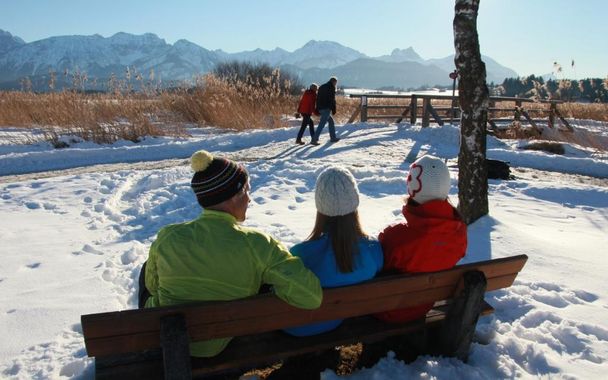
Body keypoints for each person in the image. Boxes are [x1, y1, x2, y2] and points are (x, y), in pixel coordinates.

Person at [140, 149, 323, 358]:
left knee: (148, 269)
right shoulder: (258, 245)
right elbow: (311, 297)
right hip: (220, 342)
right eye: (246, 191)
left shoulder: (167, 237)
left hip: (167, 339)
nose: (250, 199)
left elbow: (152, 287)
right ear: (234, 196)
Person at [283, 166, 383, 336]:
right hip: (337, 320)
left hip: (298, 327)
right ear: (354, 202)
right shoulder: (373, 250)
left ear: (320, 205)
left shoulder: (301, 254)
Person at [375, 155, 467, 323]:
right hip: (424, 306)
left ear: (413, 187)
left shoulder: (396, 237)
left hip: (388, 311)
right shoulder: (458, 233)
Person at [310, 77, 339, 145]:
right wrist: (334, 109)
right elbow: (332, 100)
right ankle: (314, 139)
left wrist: (317, 108)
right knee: (321, 124)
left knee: (331, 122)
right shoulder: (331, 88)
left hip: (321, 108)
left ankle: (333, 137)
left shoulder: (322, 87)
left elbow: (318, 98)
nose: (335, 84)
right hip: (326, 109)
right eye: (336, 83)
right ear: (334, 82)